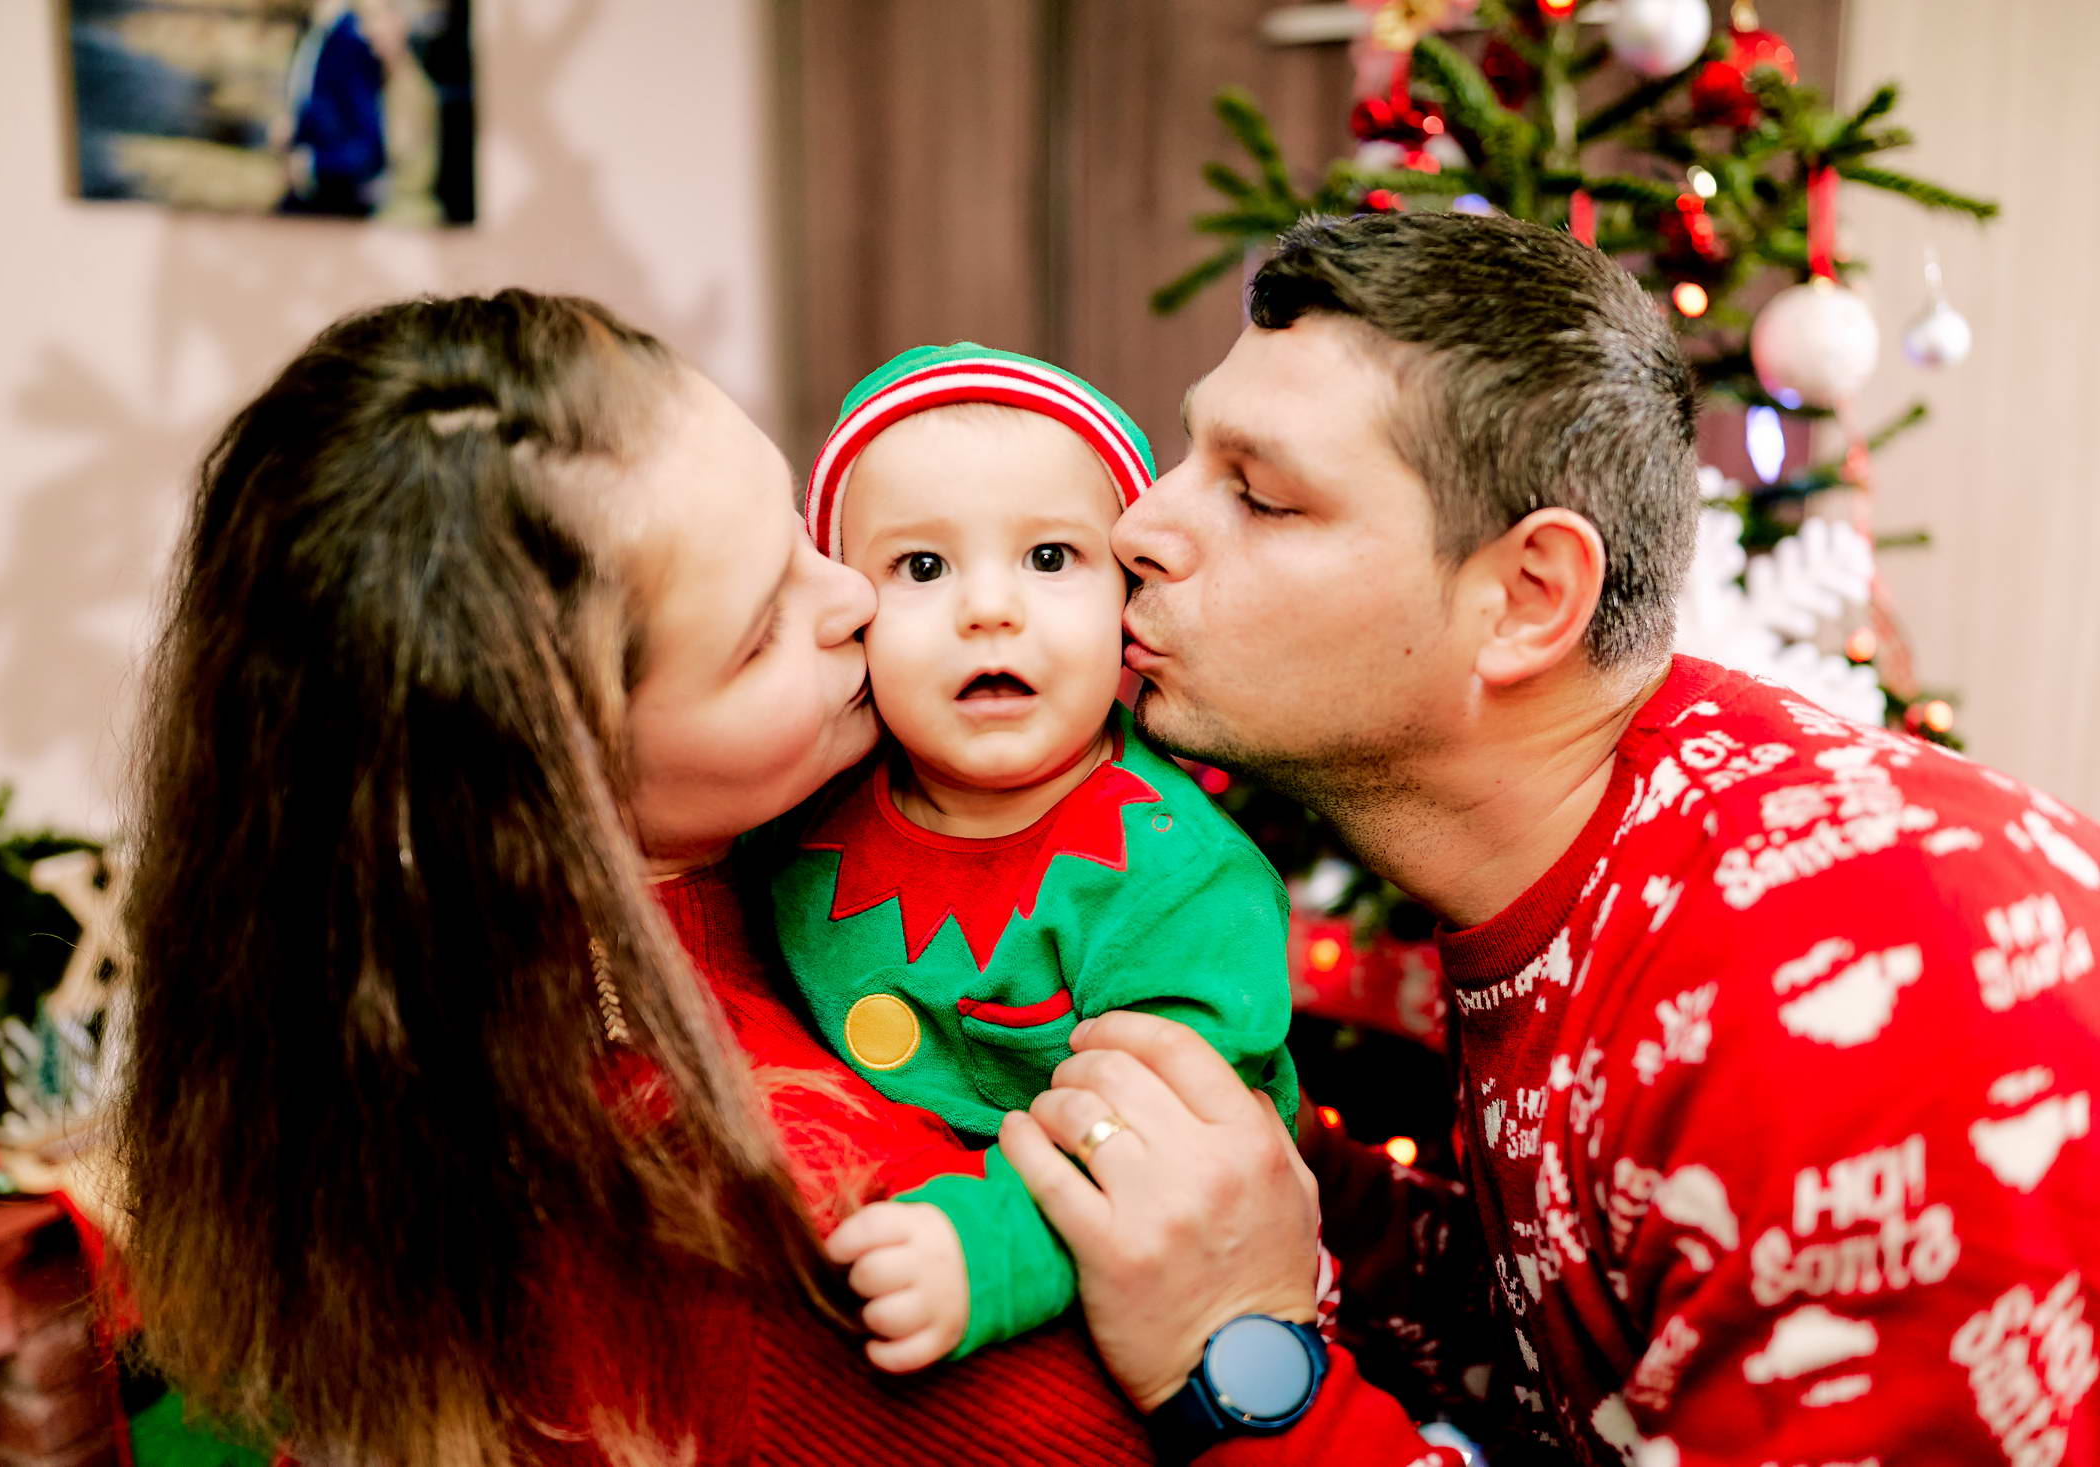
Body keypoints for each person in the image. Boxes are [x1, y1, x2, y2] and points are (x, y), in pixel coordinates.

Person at [996, 212, 2100, 1464]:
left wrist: (1231, 1353)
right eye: (1192, 454)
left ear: (1527, 600)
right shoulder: (1598, 853)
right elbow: (1582, 1343)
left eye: (1260, 495)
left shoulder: (1870, 992)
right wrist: (1274, 1174)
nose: (1139, 527)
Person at [115, 292, 1157, 1466]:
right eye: (760, 632)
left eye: (800, 535)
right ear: (550, 777)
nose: (856, 596)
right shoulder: (751, 1209)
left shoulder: (459, 985)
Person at [769, 344, 1300, 1370]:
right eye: (922, 568)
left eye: (1050, 558)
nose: (989, 609)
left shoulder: (1179, 880)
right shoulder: (801, 797)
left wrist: (994, 1248)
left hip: (1142, 1301)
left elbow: (1169, 1145)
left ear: (1126, 599)